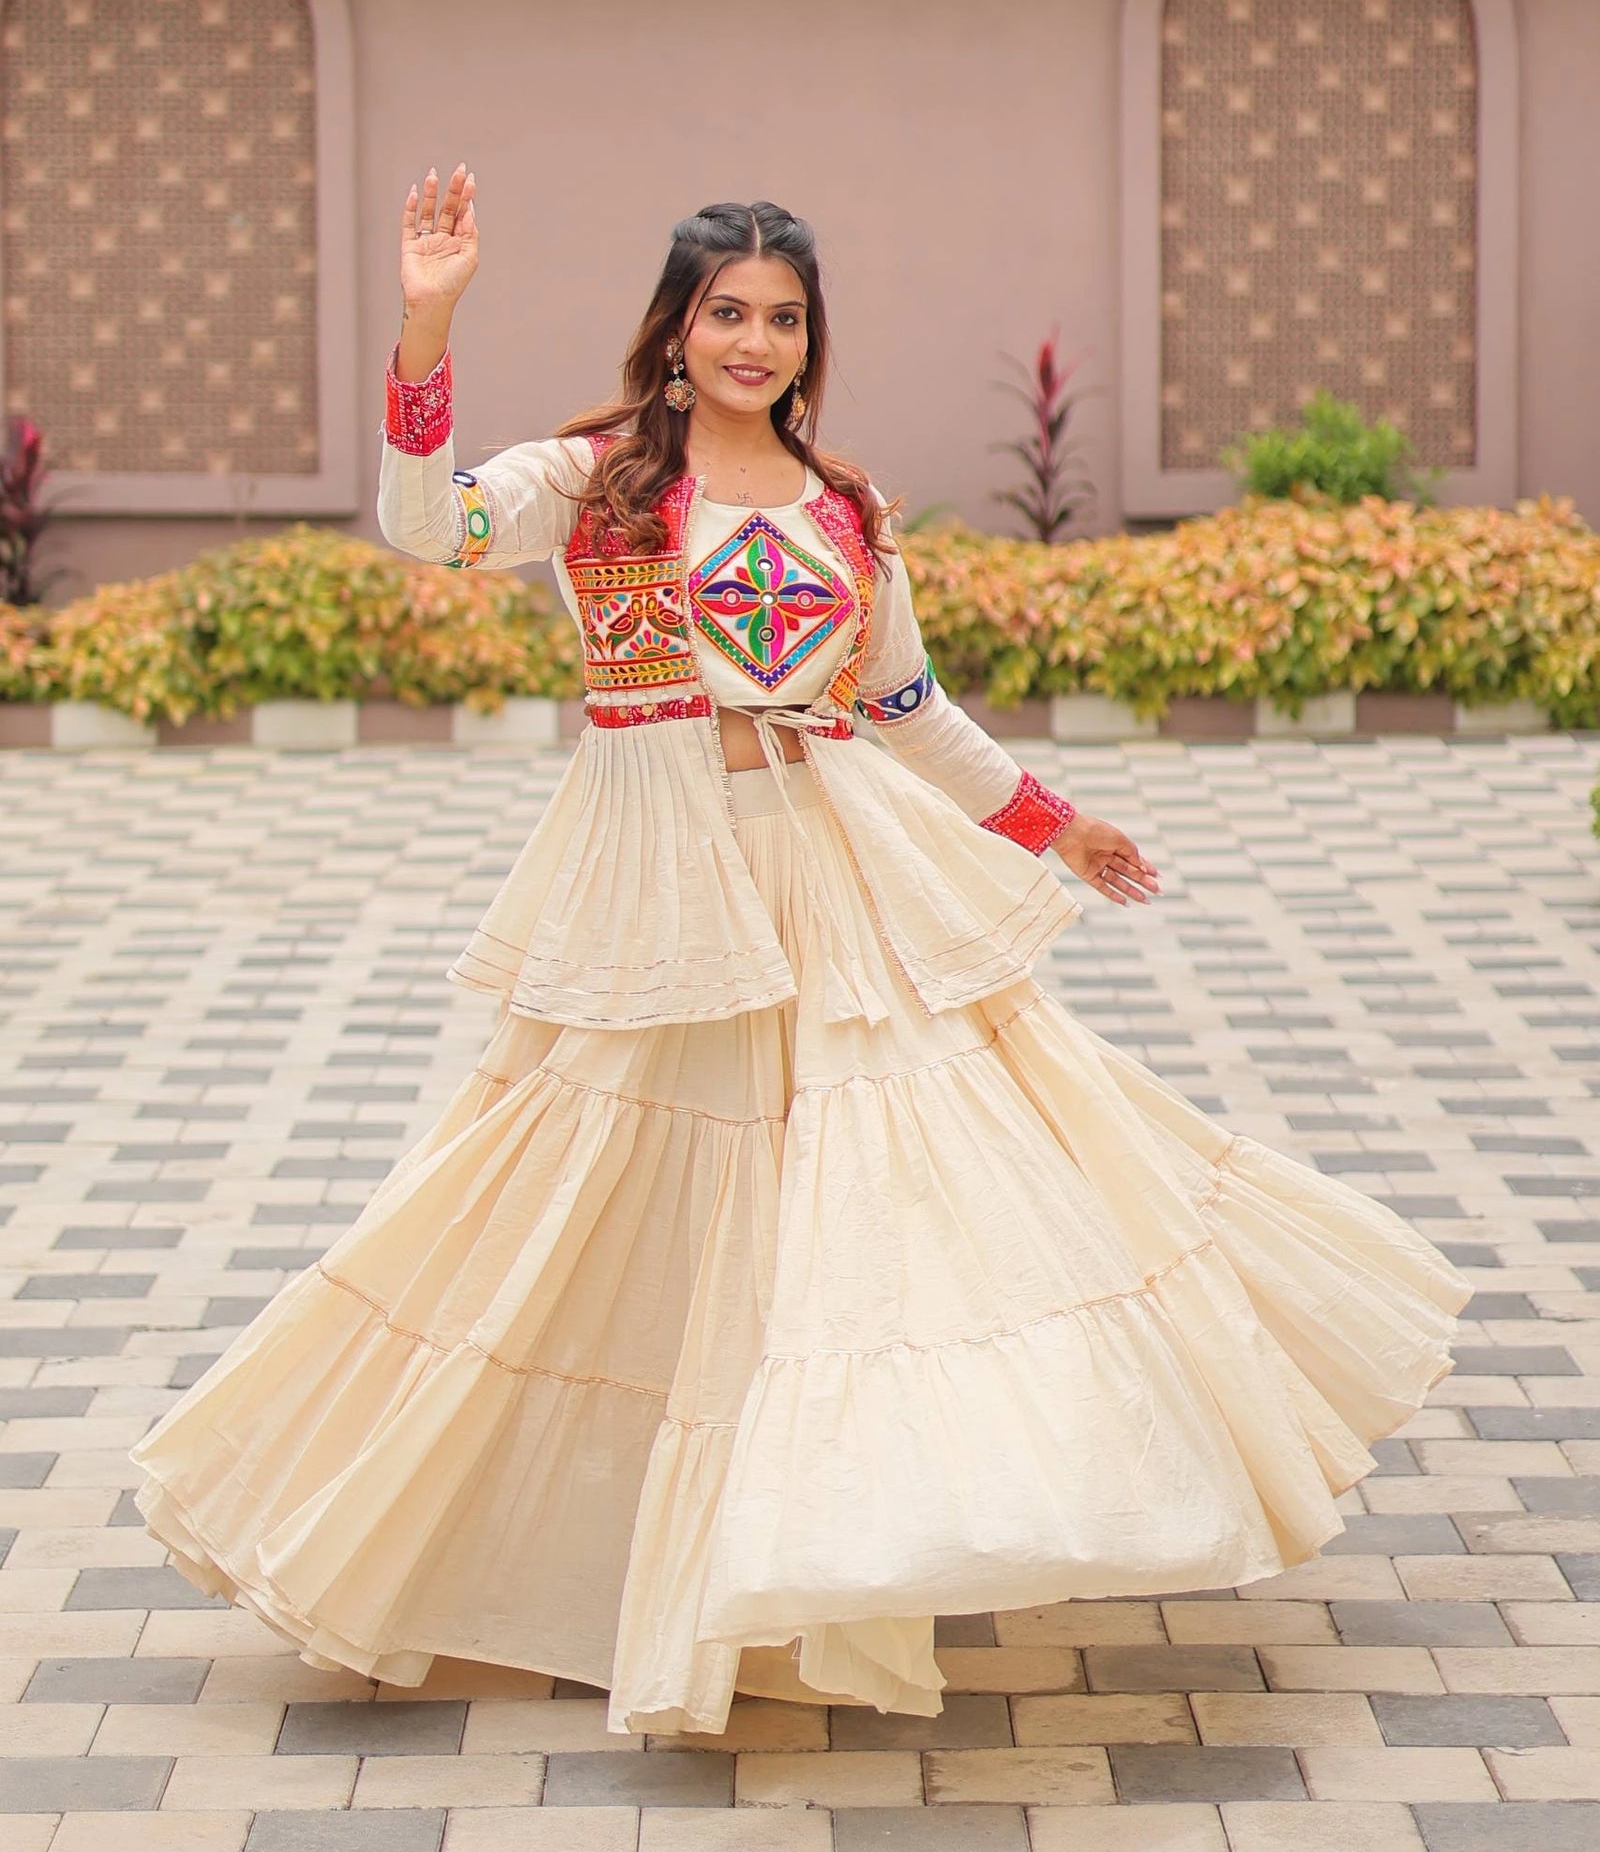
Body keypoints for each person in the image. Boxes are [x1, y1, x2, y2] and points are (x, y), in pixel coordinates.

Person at [130, 170, 1469, 1740]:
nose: (755, 339)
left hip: (829, 876)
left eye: (783, 315)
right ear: (678, 329)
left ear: (807, 337)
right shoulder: (597, 482)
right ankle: (565, 1537)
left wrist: (1053, 823)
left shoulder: (847, 508)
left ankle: (807, 1544)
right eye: (728, 312)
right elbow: (431, 526)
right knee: (585, 1198)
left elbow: (903, 703)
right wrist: (431, 314)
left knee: (849, 1212)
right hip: (660, 882)